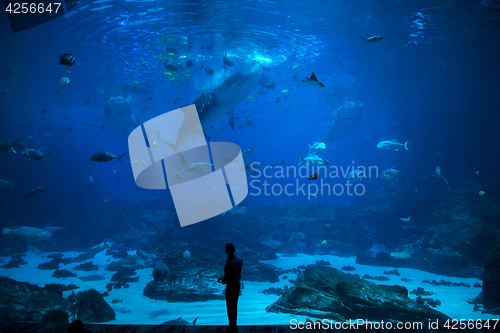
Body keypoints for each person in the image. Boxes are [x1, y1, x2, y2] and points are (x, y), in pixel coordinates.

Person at [218, 243, 243, 333]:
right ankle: (234, 324)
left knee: (230, 307)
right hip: (237, 285)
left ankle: (231, 326)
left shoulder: (228, 264)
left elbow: (224, 281)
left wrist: (220, 280)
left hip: (230, 288)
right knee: (235, 306)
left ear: (226, 251)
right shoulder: (239, 260)